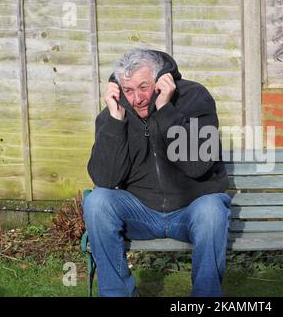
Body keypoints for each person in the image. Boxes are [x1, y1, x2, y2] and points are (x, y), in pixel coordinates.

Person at [83, 48, 231, 297]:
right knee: (97, 201)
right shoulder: (114, 113)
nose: (137, 98)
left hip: (191, 210)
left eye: (144, 87)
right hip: (141, 213)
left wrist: (165, 111)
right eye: (128, 91)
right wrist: (115, 122)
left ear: (162, 81)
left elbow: (197, 165)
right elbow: (105, 180)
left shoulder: (195, 98)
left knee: (212, 209)